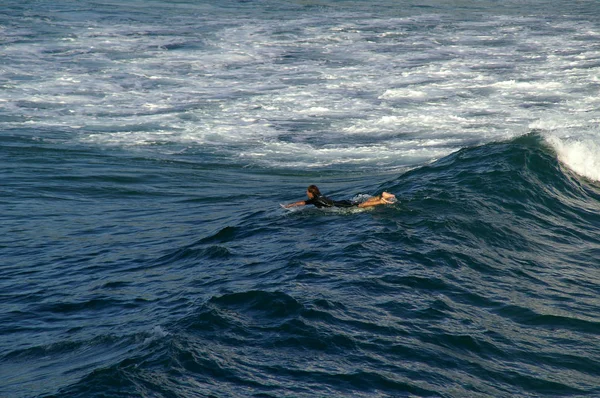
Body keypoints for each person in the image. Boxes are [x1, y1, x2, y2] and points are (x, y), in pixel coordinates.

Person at [283, 185, 396, 209]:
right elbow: (304, 202)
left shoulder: (315, 199)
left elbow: (303, 203)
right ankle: (381, 195)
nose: (306, 193)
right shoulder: (319, 196)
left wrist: (289, 206)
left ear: (311, 193)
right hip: (341, 201)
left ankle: (381, 201)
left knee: (361, 205)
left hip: (340, 205)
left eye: (307, 192)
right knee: (359, 202)